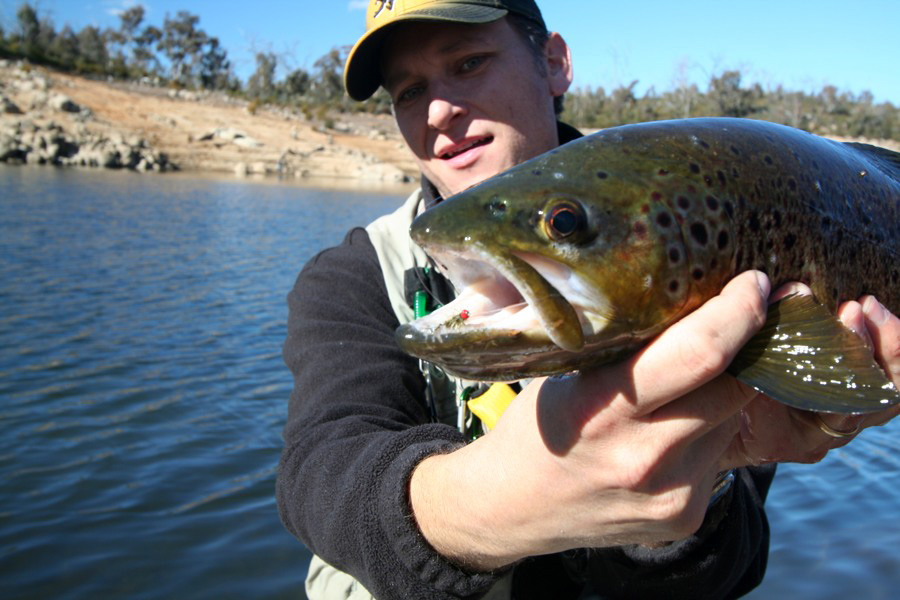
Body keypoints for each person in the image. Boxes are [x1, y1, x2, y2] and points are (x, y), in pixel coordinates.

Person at [277, 2, 900, 598]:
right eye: (408, 91)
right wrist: (496, 504)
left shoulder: (707, 264)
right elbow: (322, 473)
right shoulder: (353, 276)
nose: (438, 110)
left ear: (554, 62)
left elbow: (727, 571)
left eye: (468, 62)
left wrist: (706, 478)